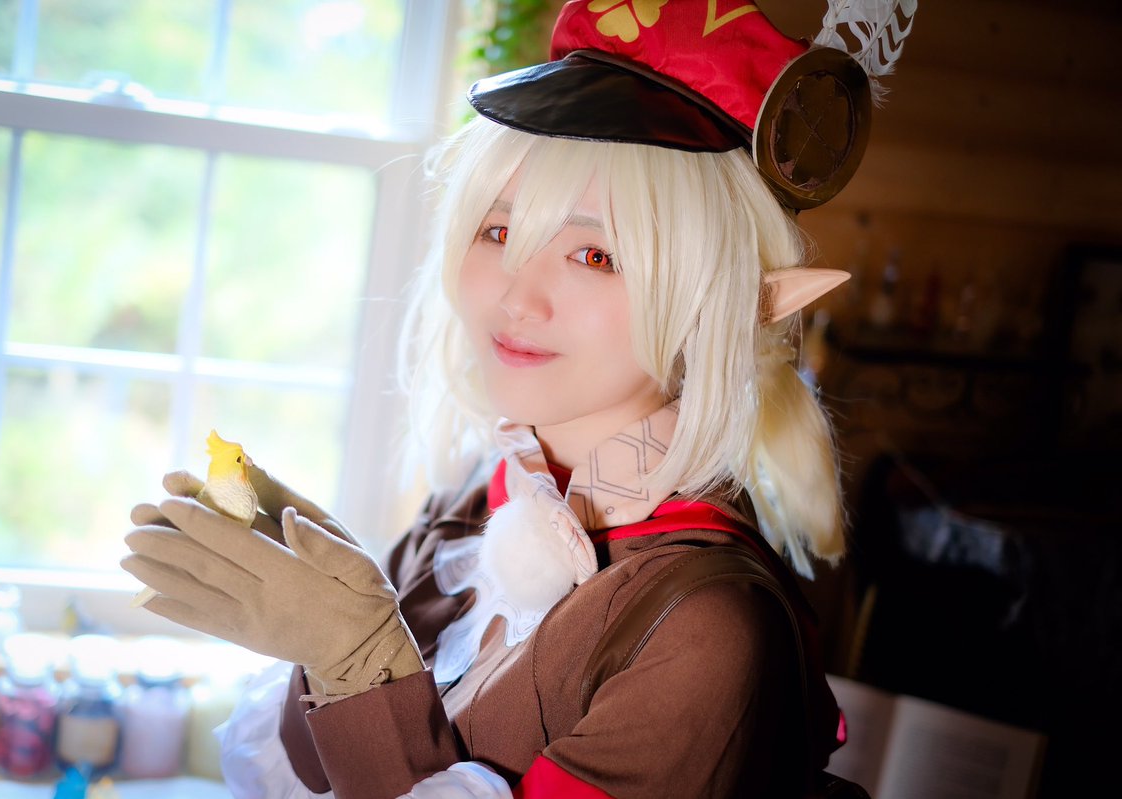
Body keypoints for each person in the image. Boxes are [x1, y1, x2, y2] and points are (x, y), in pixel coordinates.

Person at [122, 1, 914, 796]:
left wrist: (358, 657)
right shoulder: (472, 500)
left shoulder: (707, 626)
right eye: (499, 233)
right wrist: (325, 615)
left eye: (595, 254)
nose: (516, 297)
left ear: (716, 301)